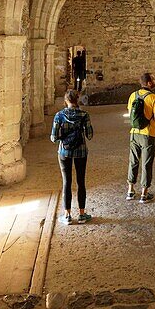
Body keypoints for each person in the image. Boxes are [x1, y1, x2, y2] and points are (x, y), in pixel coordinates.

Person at [50, 89, 94, 224]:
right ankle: (81, 213)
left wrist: (64, 139)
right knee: (81, 181)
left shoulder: (59, 116)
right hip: (81, 151)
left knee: (66, 182)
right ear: (77, 99)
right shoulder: (84, 115)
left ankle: (67, 215)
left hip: (64, 152)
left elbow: (53, 138)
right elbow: (90, 135)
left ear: (66, 100)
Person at [126, 73, 155, 203]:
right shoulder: (154, 98)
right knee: (146, 163)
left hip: (134, 133)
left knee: (133, 161)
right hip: (148, 134)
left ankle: (130, 190)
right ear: (148, 83)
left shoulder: (132, 96)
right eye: (153, 79)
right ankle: (144, 194)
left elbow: (131, 115)